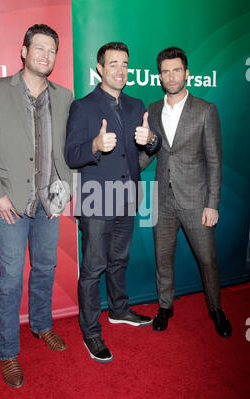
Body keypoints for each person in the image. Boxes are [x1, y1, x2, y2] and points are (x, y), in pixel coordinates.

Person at [0, 24, 75, 388]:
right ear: (24, 51)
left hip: (49, 203)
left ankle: (42, 325)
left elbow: (67, 150)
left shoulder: (65, 96)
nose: (45, 55)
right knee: (11, 279)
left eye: (51, 50)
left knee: (46, 267)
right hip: (11, 205)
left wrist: (66, 192)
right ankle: (8, 350)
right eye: (39, 48)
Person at [65, 42, 161, 363]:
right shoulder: (83, 106)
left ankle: (119, 309)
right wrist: (94, 144)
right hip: (95, 201)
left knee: (120, 260)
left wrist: (151, 141)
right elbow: (71, 155)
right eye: (113, 64)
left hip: (126, 198)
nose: (120, 70)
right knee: (93, 268)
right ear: (100, 69)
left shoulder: (136, 104)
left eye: (125, 64)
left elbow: (152, 144)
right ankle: (91, 331)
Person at [139, 47, 232, 338]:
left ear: (186, 73)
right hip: (162, 201)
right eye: (165, 71)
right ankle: (165, 307)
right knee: (162, 258)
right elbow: (150, 153)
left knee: (207, 260)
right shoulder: (152, 109)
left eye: (176, 70)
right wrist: (126, 166)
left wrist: (212, 204)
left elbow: (215, 160)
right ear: (160, 76)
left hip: (196, 201)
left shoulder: (205, 110)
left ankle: (216, 309)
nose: (171, 76)